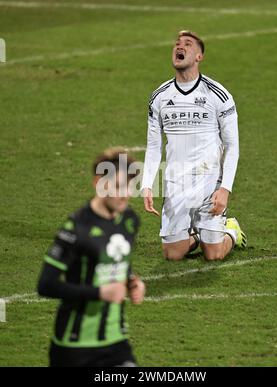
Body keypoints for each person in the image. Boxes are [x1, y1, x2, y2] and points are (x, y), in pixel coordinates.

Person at [142, 30, 247, 262]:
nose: (180, 47)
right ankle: (198, 235)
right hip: (176, 184)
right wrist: (147, 184)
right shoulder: (159, 97)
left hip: (209, 181)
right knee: (173, 254)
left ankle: (231, 230)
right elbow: (153, 146)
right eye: (177, 44)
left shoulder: (218, 95)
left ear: (199, 56)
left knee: (214, 255)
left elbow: (232, 145)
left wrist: (225, 189)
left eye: (188, 44)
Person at [38, 147, 145, 367]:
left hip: (116, 340)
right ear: (99, 183)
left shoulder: (130, 221)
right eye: (118, 187)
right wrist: (99, 292)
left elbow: (118, 262)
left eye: (130, 187)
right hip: (75, 348)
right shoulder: (76, 228)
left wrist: (132, 282)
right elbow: (46, 285)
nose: (126, 194)